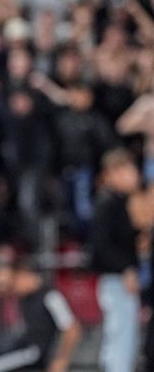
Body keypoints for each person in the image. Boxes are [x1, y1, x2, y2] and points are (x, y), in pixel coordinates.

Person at [90, 148, 142, 372]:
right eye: (128, 169)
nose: (134, 175)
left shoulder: (119, 201)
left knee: (124, 339)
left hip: (118, 278)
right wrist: (126, 269)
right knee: (120, 339)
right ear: (114, 172)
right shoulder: (106, 202)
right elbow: (100, 247)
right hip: (115, 280)